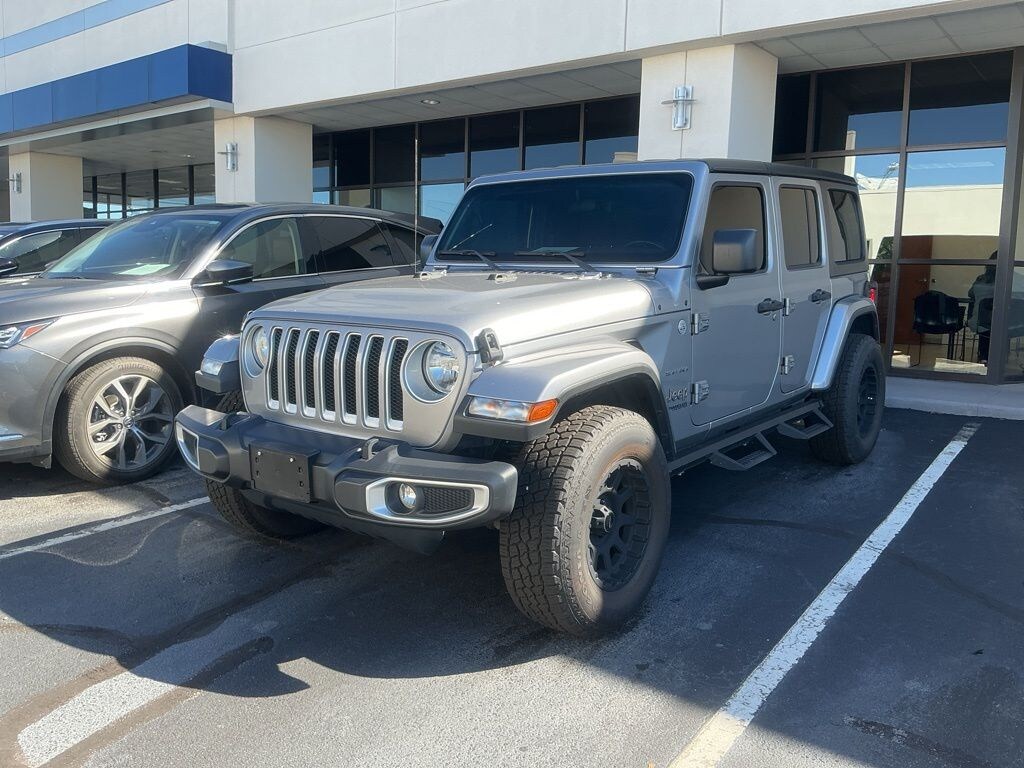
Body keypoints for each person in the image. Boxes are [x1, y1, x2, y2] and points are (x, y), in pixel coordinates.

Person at [967, 251, 997, 364]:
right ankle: (993, 357)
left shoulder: (980, 279)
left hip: (977, 320)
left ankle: (983, 357)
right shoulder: (1004, 281)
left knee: (985, 322)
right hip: (994, 322)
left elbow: (970, 293)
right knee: (993, 322)